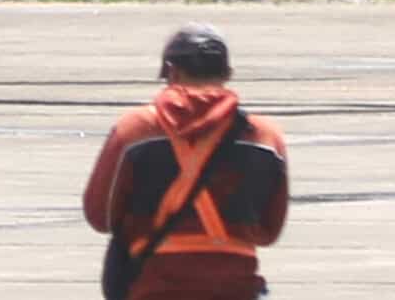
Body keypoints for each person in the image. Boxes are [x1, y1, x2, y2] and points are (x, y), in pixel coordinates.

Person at [84, 24, 287, 300]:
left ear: (171, 71)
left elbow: (101, 216)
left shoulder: (135, 129)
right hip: (235, 287)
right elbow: (269, 231)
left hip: (155, 286)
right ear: (227, 74)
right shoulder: (265, 136)